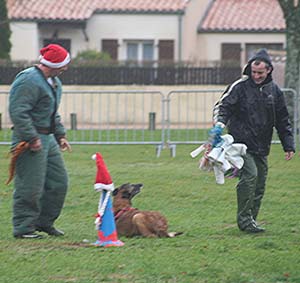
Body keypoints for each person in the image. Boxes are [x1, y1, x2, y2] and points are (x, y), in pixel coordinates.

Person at [210, 48, 295, 233]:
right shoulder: (239, 87)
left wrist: (288, 145)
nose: (256, 76)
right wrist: (219, 124)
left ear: (269, 70)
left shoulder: (275, 92)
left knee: (260, 183)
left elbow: (282, 120)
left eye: (260, 73)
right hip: (240, 144)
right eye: (254, 72)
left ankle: (252, 220)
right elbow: (223, 106)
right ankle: (244, 221)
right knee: (250, 176)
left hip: (262, 145)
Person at [9, 44, 72, 239]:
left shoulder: (54, 82)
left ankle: (44, 222)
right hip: (29, 140)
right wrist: (31, 137)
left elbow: (52, 113)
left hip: (48, 138)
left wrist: (60, 135)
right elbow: (18, 112)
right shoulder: (28, 80)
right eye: (63, 65)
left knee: (59, 182)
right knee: (30, 186)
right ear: (52, 64)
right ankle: (23, 228)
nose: (65, 68)